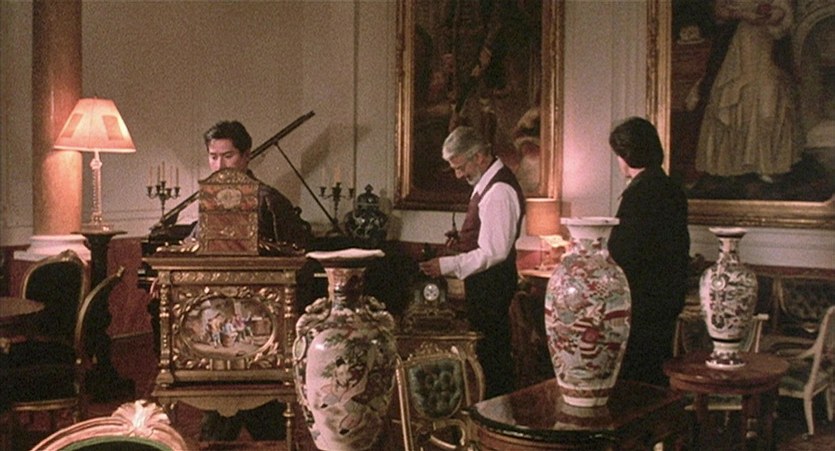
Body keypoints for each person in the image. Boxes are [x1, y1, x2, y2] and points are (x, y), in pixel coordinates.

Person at [147, 120, 314, 442]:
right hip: (216, 334)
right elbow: (195, 247)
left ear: (247, 155)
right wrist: (168, 275)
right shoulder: (209, 201)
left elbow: (298, 262)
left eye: (228, 156)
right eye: (213, 157)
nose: (220, 165)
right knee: (216, 427)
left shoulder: (270, 201)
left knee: (271, 431)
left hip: (261, 333)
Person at [419, 126, 524, 398]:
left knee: (493, 359)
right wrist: (463, 240)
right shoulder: (486, 184)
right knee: (486, 355)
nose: (458, 175)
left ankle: (496, 414)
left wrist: (446, 265)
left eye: (460, 167)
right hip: (486, 285)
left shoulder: (498, 191)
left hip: (493, 286)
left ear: (479, 156)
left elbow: (494, 252)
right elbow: (485, 236)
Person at [607, 117, 691, 387]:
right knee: (656, 367)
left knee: (636, 376)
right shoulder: (672, 188)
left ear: (627, 155)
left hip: (641, 297)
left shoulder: (639, 194)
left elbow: (624, 250)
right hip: (668, 294)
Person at [692, 0, 799, 182]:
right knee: (736, 97)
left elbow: (783, 11)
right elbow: (719, 10)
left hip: (767, 46)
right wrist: (741, 14)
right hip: (740, 47)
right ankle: (734, 164)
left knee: (768, 104)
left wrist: (769, 14)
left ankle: (766, 164)